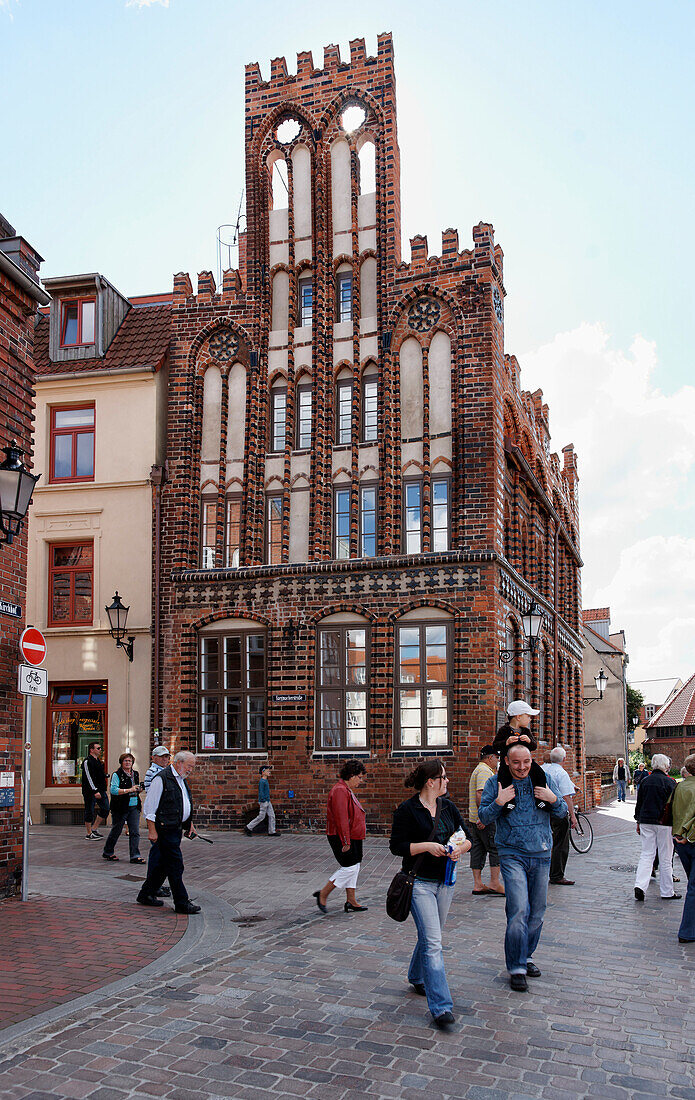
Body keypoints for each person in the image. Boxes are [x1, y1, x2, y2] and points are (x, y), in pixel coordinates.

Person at [479, 743, 568, 992]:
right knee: (518, 909)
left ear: (532, 760)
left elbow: (561, 813)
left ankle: (526, 955)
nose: (522, 767)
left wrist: (553, 799)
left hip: (541, 854)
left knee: (537, 912)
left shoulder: (544, 778)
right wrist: (499, 802)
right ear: (507, 761)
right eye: (516, 762)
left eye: (526, 762)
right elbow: (483, 818)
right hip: (511, 854)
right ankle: (516, 967)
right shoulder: (496, 783)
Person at [389, 759, 471, 1028]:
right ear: (430, 782)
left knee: (430, 935)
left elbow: (465, 834)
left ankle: (417, 976)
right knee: (434, 943)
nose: (447, 781)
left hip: (446, 882)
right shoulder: (408, 810)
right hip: (420, 883)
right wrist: (426, 846)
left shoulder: (447, 807)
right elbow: (397, 846)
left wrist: (461, 848)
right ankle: (441, 1007)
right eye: (443, 778)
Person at [137, 751, 201, 914]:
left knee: (162, 865)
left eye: (192, 767)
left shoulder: (181, 779)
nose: (191, 770)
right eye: (189, 766)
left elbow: (182, 803)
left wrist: (189, 824)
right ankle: (181, 902)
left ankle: (146, 894)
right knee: (175, 865)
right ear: (178, 763)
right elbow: (150, 807)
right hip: (164, 829)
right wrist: (152, 830)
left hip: (175, 828)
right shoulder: (162, 778)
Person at [313, 761, 368, 914]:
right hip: (342, 836)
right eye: (359, 777)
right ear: (351, 776)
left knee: (354, 867)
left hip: (352, 835)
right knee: (349, 867)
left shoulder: (345, 789)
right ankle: (323, 893)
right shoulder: (340, 791)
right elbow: (341, 818)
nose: (361, 780)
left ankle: (351, 901)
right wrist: (345, 841)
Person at [633, 753, 681, 903]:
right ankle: (667, 891)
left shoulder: (645, 781)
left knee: (647, 854)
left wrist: (638, 821)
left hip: (646, 820)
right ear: (666, 766)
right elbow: (675, 806)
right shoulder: (670, 782)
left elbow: (639, 803)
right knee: (666, 857)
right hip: (664, 823)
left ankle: (640, 885)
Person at [493, 701, 549, 811]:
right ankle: (508, 803)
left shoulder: (526, 731)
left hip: (526, 762)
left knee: (540, 774)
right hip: (507, 763)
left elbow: (534, 746)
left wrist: (529, 741)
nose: (530, 719)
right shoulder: (504, 730)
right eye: (528, 716)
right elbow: (495, 746)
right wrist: (506, 742)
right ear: (518, 717)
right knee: (504, 780)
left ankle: (540, 799)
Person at [468, 746, 504, 896]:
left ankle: (478, 884)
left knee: (478, 849)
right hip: (483, 820)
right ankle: (494, 883)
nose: (498, 761)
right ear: (490, 758)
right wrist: (485, 817)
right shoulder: (484, 771)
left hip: (474, 818)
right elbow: (480, 795)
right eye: (497, 758)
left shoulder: (479, 769)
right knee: (494, 849)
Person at [542, 746, 579, 886]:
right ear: (564, 759)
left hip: (543, 811)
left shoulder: (543, 769)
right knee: (560, 844)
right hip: (557, 812)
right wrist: (573, 816)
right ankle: (557, 874)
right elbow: (566, 796)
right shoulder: (561, 773)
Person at [102, 753, 144, 863]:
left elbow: (136, 787)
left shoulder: (135, 774)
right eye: (125, 761)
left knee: (135, 831)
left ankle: (135, 855)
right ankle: (108, 851)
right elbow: (114, 790)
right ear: (121, 762)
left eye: (129, 761)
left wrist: (139, 789)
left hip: (134, 805)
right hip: (120, 807)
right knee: (117, 830)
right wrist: (129, 790)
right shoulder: (117, 774)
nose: (128, 763)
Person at [672, 753, 695, 943]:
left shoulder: (679, 786)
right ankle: (687, 931)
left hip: (680, 841)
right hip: (690, 839)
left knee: (692, 884)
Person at [81, 742, 109, 840]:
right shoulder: (87, 761)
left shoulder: (99, 761)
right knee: (90, 810)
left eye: (100, 748)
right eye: (98, 748)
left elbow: (98, 775)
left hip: (101, 790)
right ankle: (89, 833)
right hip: (90, 791)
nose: (100, 750)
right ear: (91, 750)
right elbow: (89, 777)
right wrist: (94, 790)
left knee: (106, 808)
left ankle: (94, 829)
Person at [245, 765, 277, 836]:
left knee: (272, 815)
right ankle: (248, 827)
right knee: (261, 817)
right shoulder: (262, 781)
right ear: (263, 772)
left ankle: (272, 831)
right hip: (264, 801)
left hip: (267, 801)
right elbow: (261, 792)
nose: (269, 771)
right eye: (267, 770)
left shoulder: (265, 780)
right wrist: (263, 801)